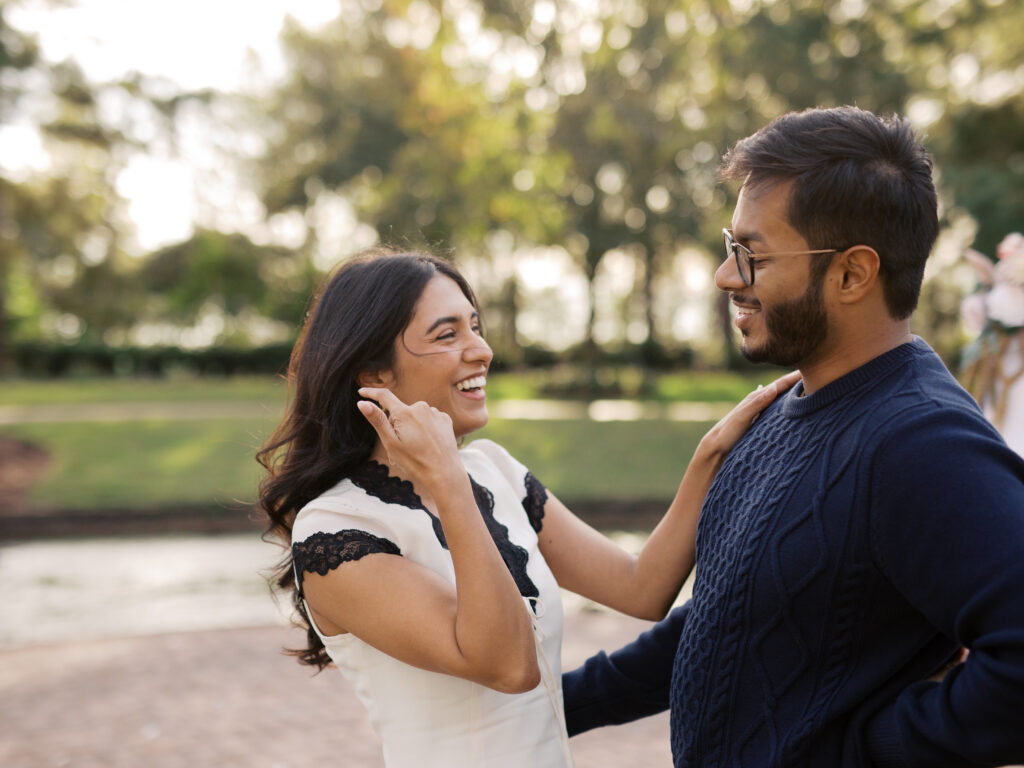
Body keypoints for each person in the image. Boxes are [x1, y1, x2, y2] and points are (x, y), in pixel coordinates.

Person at [562, 106, 1024, 767]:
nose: (727, 277)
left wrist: (868, 749)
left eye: (751, 255)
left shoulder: (922, 443)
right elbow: (732, 621)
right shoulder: (780, 412)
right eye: (731, 247)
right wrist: (552, 704)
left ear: (852, 273)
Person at [256, 247, 797, 768]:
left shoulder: (495, 471)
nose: (481, 350)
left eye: (475, 326)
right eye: (447, 334)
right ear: (374, 376)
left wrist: (711, 454)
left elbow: (641, 587)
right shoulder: (335, 531)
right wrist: (446, 482)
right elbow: (508, 664)